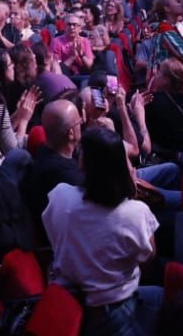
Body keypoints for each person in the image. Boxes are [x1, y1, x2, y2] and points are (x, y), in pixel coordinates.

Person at [41, 126, 160, 335]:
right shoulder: (136, 213)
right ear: (123, 166)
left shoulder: (59, 197)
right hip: (116, 310)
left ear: (83, 162)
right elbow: (149, 257)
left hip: (70, 301)